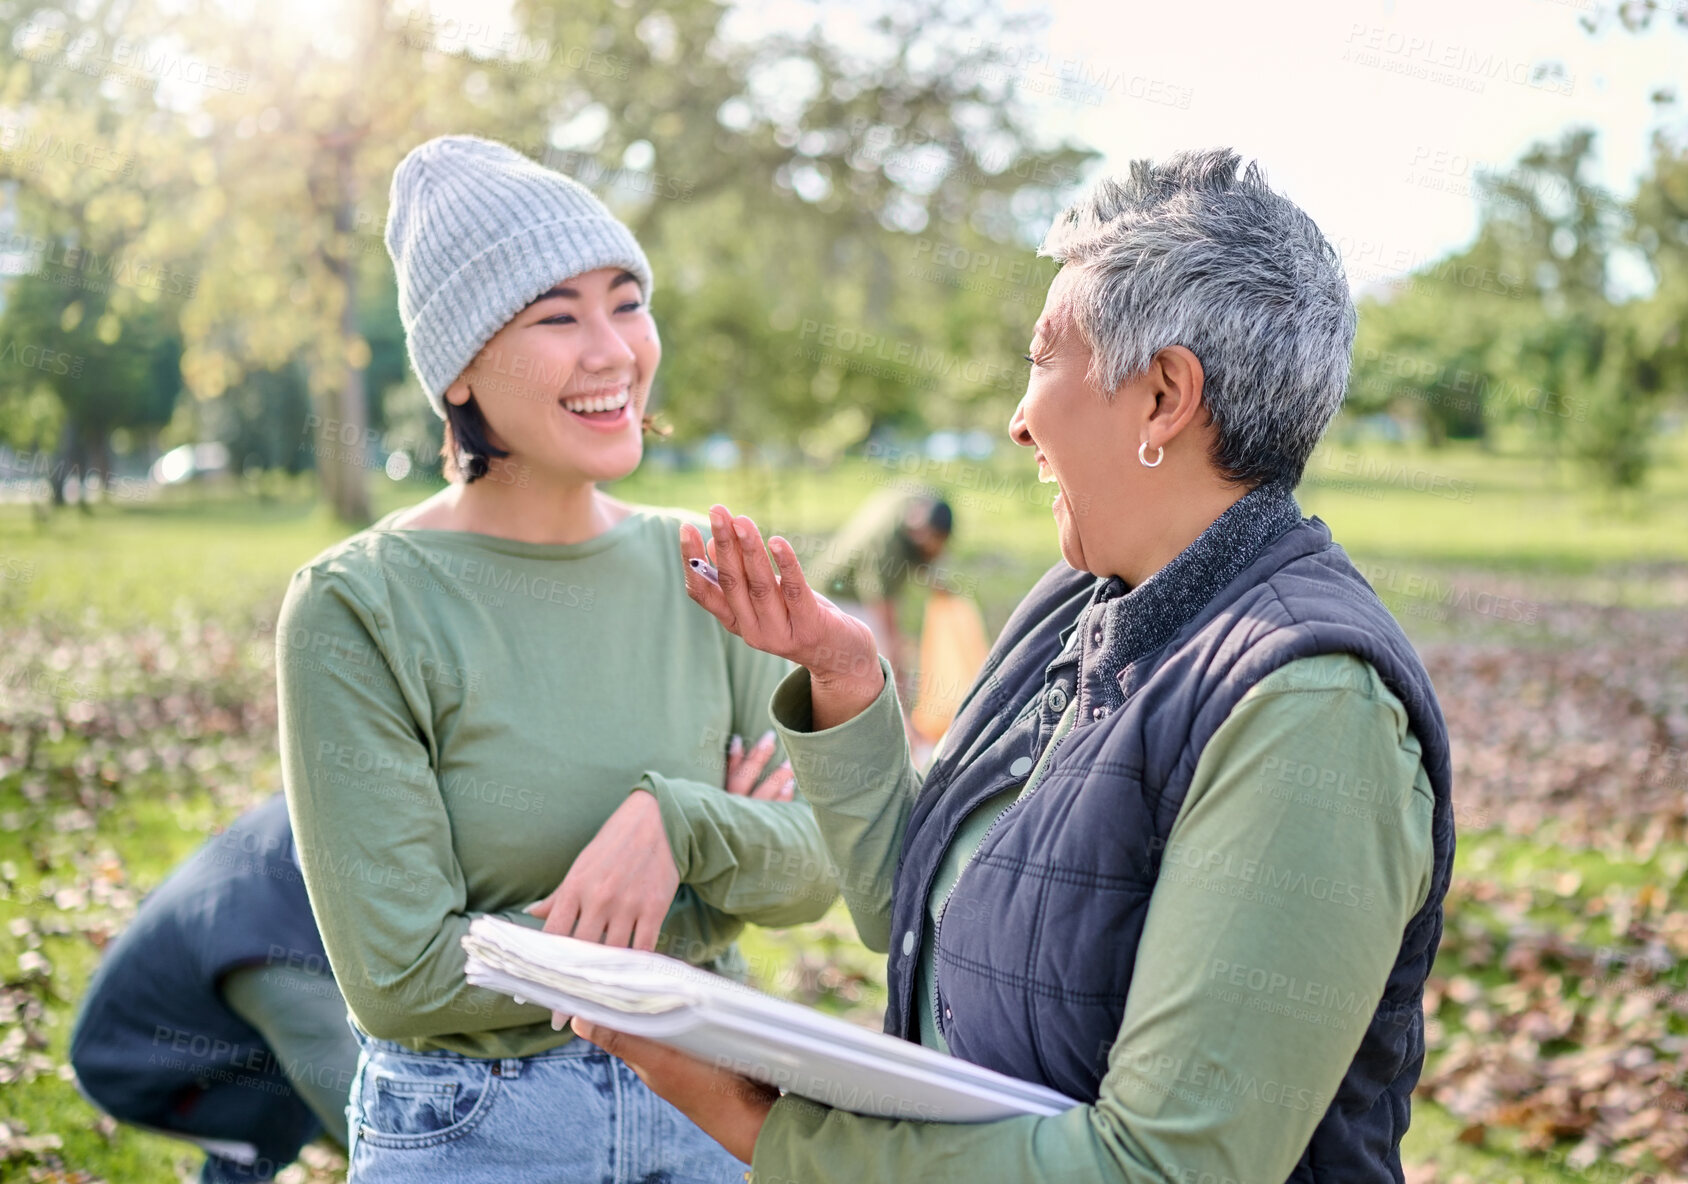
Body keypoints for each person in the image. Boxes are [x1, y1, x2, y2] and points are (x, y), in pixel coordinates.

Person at [573, 149, 1453, 1184]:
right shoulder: (1074, 603)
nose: (1017, 417)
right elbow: (926, 907)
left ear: (1164, 395)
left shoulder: (1307, 705)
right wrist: (848, 678)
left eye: (1044, 356)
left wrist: (765, 1125)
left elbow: (1163, 1168)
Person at [274, 135, 837, 1183]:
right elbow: (403, 974)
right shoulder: (359, 606)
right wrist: (701, 906)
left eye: (626, 300)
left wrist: (679, 819)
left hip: (716, 1111)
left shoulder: (705, 565)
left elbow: (812, 866)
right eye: (555, 315)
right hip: (476, 1131)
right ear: (458, 371)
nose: (612, 350)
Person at [69, 793, 358, 1184]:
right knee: (290, 1105)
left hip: (208, 1006)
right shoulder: (275, 962)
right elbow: (372, 1120)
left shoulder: (322, 806)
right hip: (133, 1065)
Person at [805, 489, 953, 684]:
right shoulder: (886, 548)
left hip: (858, 586)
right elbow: (884, 617)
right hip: (838, 594)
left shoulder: (917, 499)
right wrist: (898, 679)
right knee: (872, 656)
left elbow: (929, 553)